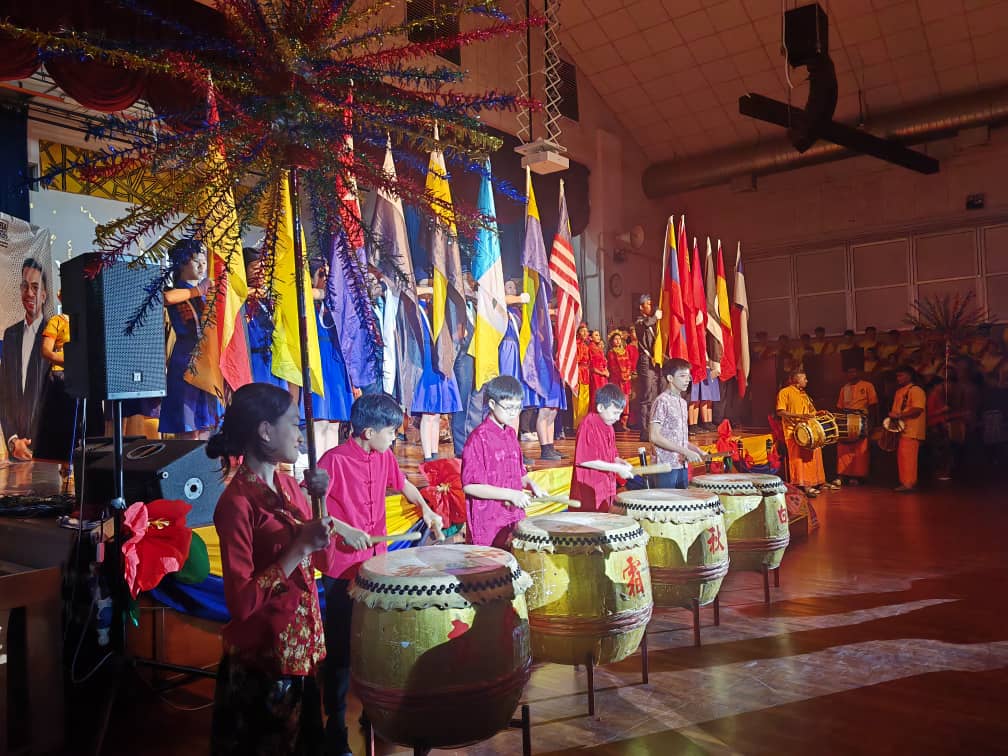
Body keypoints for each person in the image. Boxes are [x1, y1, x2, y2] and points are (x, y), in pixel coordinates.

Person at [207, 383, 353, 756]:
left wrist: (320, 506)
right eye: (292, 422)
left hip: (304, 655)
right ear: (265, 431)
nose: (300, 434)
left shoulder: (289, 486)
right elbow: (241, 603)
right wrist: (298, 546)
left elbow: (321, 562)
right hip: (264, 663)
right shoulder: (236, 504)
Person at [316, 393, 444, 756]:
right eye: (391, 432)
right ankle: (334, 724)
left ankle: (373, 712)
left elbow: (403, 485)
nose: (395, 438)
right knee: (341, 649)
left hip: (376, 566)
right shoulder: (333, 461)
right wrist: (343, 528)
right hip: (342, 568)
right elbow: (314, 509)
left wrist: (426, 508)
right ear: (368, 432)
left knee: (374, 640)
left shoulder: (384, 455)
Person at [462, 375, 547, 547]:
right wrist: (511, 495)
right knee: (491, 563)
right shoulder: (478, 438)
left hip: (513, 516)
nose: (513, 413)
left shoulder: (510, 434)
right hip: (489, 521)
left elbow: (519, 475)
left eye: (517, 407)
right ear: (492, 404)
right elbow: (470, 486)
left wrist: (531, 484)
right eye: (508, 407)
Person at [161, 239, 220, 439]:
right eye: (196, 261)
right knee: (188, 423)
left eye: (204, 262)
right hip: (185, 359)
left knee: (205, 423)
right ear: (181, 263)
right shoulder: (179, 291)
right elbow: (167, 298)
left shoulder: (202, 295)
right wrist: (199, 290)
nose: (202, 266)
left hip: (206, 360)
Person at [1, 258, 52, 460]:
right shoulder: (10, 335)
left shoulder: (54, 336)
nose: (29, 293)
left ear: (44, 295)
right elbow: (3, 394)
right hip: (15, 452)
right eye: (25, 286)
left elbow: (56, 398)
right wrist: (13, 440)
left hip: (46, 453)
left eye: (35, 287)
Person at [305, 257, 353, 456]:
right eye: (322, 274)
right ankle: (317, 463)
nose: (327, 279)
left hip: (336, 362)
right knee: (320, 420)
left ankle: (330, 464)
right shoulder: (308, 303)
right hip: (319, 361)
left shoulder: (335, 303)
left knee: (334, 421)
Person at [412, 280, 461, 461]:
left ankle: (434, 452)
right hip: (426, 360)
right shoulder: (417, 308)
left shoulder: (436, 308)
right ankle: (427, 455)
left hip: (439, 358)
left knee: (436, 412)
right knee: (428, 411)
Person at [570, 384, 635, 512]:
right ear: (600, 407)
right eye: (615, 413)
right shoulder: (589, 424)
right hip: (589, 490)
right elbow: (586, 460)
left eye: (619, 414)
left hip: (605, 488)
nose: (617, 418)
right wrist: (617, 468)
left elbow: (612, 456)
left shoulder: (609, 427)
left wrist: (621, 463)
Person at [650, 358, 705, 488]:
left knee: (682, 499)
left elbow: (678, 439)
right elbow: (654, 436)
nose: (687, 380)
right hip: (665, 465)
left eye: (688, 376)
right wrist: (685, 451)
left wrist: (696, 450)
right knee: (668, 500)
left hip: (681, 464)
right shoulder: (662, 401)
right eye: (682, 376)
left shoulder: (683, 402)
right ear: (670, 378)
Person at [777, 371, 826, 497]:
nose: (806, 381)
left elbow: (810, 412)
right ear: (796, 380)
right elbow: (781, 412)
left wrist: (818, 413)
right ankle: (804, 486)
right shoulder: (785, 392)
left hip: (807, 430)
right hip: (793, 431)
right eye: (804, 378)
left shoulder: (804, 394)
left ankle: (815, 483)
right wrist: (799, 416)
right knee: (799, 460)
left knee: (813, 456)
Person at [836, 367, 878, 485]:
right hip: (846, 419)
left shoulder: (867, 385)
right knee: (843, 448)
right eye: (849, 372)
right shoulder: (844, 388)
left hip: (862, 419)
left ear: (859, 372)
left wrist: (872, 424)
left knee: (860, 448)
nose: (851, 374)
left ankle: (857, 476)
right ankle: (843, 475)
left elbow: (873, 405)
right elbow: (840, 407)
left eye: (854, 371)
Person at [889, 365, 926, 493]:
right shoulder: (899, 391)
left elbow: (917, 409)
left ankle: (909, 483)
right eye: (897, 376)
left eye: (901, 375)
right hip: (901, 429)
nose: (898, 378)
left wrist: (899, 415)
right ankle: (905, 483)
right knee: (903, 457)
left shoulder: (916, 390)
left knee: (908, 458)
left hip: (912, 430)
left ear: (909, 375)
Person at [634, 294, 662, 441]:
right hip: (645, 361)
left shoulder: (652, 322)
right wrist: (656, 317)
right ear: (641, 307)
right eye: (648, 304)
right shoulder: (639, 321)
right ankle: (644, 430)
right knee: (647, 395)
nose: (650, 306)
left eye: (651, 304)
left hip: (654, 360)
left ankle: (653, 429)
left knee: (654, 395)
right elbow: (646, 324)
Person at [606, 330, 633, 431]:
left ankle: (623, 423)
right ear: (612, 341)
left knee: (625, 401)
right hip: (616, 380)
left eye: (619, 339)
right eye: (615, 339)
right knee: (616, 400)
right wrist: (622, 375)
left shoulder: (625, 351)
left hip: (626, 381)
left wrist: (628, 374)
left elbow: (629, 364)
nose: (617, 341)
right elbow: (613, 367)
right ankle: (615, 423)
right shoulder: (611, 353)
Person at [572, 322, 591, 426]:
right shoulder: (576, 344)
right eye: (582, 331)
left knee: (585, 399)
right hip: (579, 372)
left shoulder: (586, 345)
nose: (585, 333)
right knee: (578, 399)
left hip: (585, 372)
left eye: (586, 331)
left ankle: (583, 422)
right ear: (578, 332)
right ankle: (577, 423)